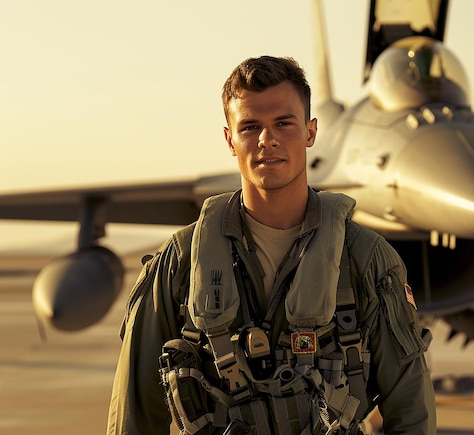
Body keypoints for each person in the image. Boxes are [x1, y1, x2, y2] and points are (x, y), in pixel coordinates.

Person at [107, 55, 436, 435]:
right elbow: (134, 411)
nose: (268, 140)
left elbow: (411, 409)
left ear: (311, 132)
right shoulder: (181, 261)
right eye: (250, 127)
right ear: (230, 139)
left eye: (284, 123)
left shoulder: (365, 258)